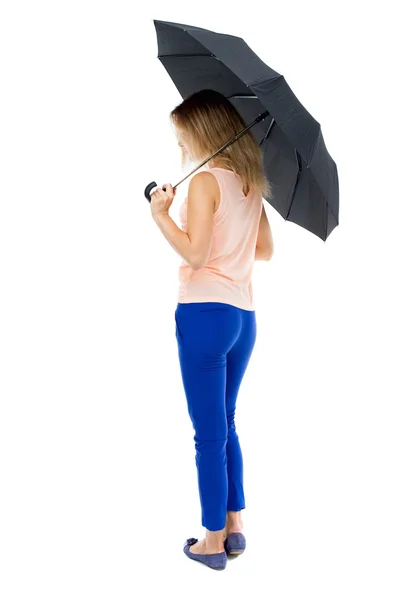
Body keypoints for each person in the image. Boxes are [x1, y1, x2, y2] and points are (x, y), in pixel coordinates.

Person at [150, 89, 274, 570]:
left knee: (208, 435)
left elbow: (196, 254)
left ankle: (211, 540)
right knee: (226, 422)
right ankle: (236, 526)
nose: (180, 141)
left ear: (200, 132)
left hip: (204, 313)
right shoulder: (249, 183)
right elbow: (263, 251)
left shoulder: (204, 181)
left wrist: (161, 216)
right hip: (243, 318)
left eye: (183, 132)